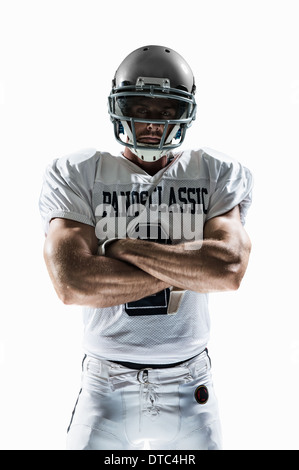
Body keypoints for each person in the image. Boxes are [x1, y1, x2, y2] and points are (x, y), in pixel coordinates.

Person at [39, 45, 253, 450]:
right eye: (139, 105)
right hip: (105, 384)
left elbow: (227, 271)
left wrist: (122, 247)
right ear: (118, 107)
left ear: (184, 112)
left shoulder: (216, 171)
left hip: (190, 383)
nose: (150, 122)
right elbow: (73, 284)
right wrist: (189, 266)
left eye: (165, 110)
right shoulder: (78, 172)